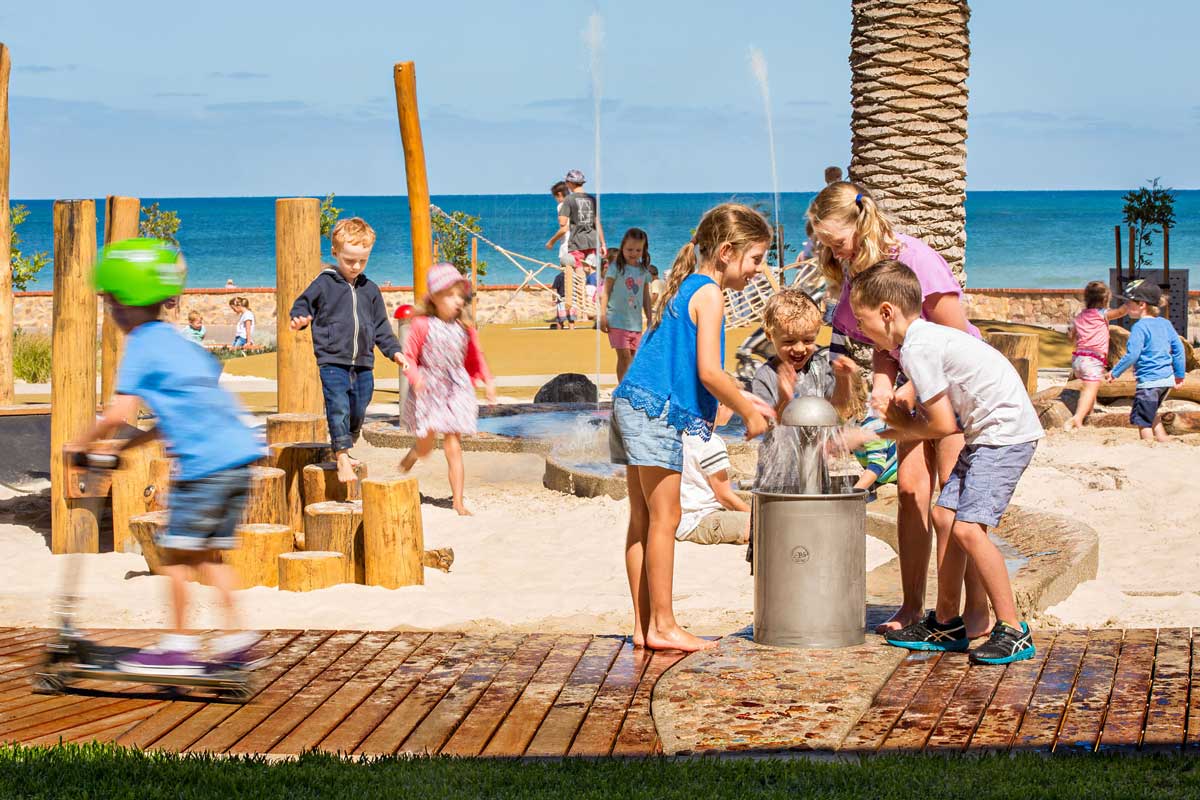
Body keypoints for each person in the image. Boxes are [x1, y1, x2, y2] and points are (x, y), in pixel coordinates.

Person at [71, 238, 264, 675]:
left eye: (113, 303)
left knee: (175, 556)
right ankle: (238, 638)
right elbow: (173, 416)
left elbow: (117, 413)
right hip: (239, 459)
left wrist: (80, 445)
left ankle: (177, 647)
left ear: (127, 304)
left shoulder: (141, 344)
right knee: (207, 555)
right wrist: (124, 449)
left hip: (204, 468)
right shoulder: (181, 344)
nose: (111, 311)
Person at [809, 180, 989, 639]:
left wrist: (910, 387)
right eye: (825, 244)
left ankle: (958, 612)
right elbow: (885, 342)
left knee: (952, 496)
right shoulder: (855, 268)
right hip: (913, 389)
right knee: (910, 491)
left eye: (836, 241)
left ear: (860, 222)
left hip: (953, 390)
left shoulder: (917, 259)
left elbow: (957, 338)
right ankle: (912, 606)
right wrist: (883, 383)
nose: (833, 252)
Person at [843, 260, 1042, 664]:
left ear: (887, 312)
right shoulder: (921, 341)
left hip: (1004, 436)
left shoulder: (918, 348)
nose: (862, 331)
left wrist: (874, 434)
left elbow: (941, 425)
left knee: (968, 529)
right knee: (944, 516)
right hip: (986, 433)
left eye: (863, 322)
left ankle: (1013, 629)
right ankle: (947, 622)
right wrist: (892, 427)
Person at [610, 203, 774, 652]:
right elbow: (709, 372)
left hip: (631, 401)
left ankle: (644, 627)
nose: (758, 270)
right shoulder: (710, 294)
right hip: (653, 412)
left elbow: (682, 366)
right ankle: (663, 626)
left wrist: (740, 399)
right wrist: (749, 412)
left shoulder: (685, 286)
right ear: (726, 252)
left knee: (642, 519)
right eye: (756, 259)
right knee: (667, 518)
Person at [289, 218, 410, 483]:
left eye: (362, 261)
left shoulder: (370, 290)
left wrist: (395, 352)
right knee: (338, 406)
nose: (355, 266)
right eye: (349, 260)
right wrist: (300, 318)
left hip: (363, 362)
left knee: (359, 406)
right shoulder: (324, 283)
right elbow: (302, 304)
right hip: (332, 360)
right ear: (335, 253)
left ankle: (346, 443)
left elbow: (381, 327)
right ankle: (342, 455)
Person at [400, 262, 498, 515]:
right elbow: (409, 356)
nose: (458, 301)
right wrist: (415, 377)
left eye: (460, 295)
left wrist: (488, 381)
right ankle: (414, 454)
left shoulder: (465, 327)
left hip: (456, 388)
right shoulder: (422, 324)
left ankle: (458, 501)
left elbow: (477, 356)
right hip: (429, 388)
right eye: (450, 295)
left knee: (453, 444)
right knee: (426, 447)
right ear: (434, 297)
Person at [1109, 280, 1186, 442]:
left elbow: (1132, 354)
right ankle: (1164, 442)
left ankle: (1147, 446)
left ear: (1142, 304)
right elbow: (1179, 349)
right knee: (1152, 414)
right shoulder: (1165, 324)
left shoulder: (1139, 327)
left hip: (1149, 383)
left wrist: (1115, 372)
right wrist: (1179, 375)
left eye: (1128, 302)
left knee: (1142, 421)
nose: (1125, 306)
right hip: (1166, 381)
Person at [676, 404, 750, 545]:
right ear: (720, 404)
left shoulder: (682, 433)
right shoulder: (710, 441)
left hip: (679, 519)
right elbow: (724, 496)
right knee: (764, 524)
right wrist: (754, 515)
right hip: (699, 520)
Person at [1065, 281, 1132, 431]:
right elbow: (1120, 312)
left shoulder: (1080, 316)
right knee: (1090, 388)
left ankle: (1089, 413)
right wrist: (1130, 302)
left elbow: (1071, 336)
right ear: (1105, 300)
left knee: (1090, 388)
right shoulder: (1102, 314)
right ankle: (1077, 418)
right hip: (1092, 359)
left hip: (1078, 358)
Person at [600, 228, 653, 382]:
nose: (633, 253)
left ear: (644, 251)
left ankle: (627, 386)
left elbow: (646, 297)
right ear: (622, 246)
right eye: (629, 249)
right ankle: (623, 388)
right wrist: (602, 315)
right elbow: (606, 292)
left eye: (638, 250)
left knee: (633, 357)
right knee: (624, 356)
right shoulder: (615, 268)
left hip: (635, 323)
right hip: (616, 319)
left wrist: (650, 318)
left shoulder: (643, 271)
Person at [554, 169, 606, 274]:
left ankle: (581, 285)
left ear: (570, 183)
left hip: (576, 242)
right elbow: (597, 222)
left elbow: (562, 222)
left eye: (567, 182)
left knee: (579, 270)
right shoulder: (592, 199)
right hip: (593, 241)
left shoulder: (569, 199)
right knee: (592, 270)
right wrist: (603, 244)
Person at [544, 181, 573, 270]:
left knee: (567, 275)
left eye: (555, 197)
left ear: (559, 194)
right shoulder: (575, 203)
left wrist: (551, 242)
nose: (556, 200)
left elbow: (564, 229)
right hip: (579, 246)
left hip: (567, 246)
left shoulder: (562, 205)